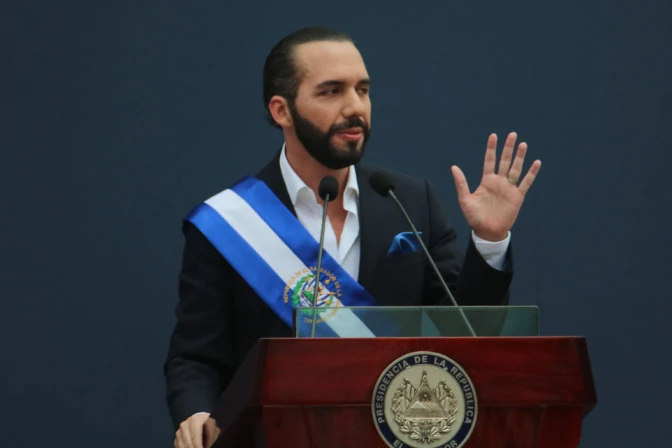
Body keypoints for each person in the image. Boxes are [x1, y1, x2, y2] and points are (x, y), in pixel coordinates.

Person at [165, 27, 541, 448]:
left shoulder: (411, 201)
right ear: (281, 110)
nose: (355, 107)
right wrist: (196, 412)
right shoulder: (229, 222)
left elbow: (466, 332)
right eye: (331, 91)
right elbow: (195, 356)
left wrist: (490, 240)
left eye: (362, 90)